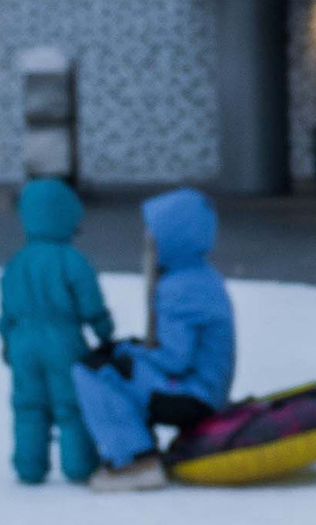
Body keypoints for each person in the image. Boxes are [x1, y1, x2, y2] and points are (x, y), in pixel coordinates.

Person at [75, 188, 237, 491]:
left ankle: (135, 461)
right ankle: (137, 448)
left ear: (172, 237)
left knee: (96, 372)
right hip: (206, 388)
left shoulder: (180, 288)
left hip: (193, 394)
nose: (148, 238)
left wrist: (131, 353)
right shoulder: (199, 275)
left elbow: (175, 359)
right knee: (117, 363)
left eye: (154, 232)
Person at [0, 178, 114, 485]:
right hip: (63, 340)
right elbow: (90, 302)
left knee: (28, 405)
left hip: (22, 341)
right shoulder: (71, 260)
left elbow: (7, 308)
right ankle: (79, 465)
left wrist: (7, 340)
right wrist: (104, 331)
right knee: (71, 404)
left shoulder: (16, 263)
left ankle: (29, 466)